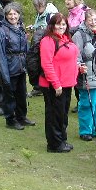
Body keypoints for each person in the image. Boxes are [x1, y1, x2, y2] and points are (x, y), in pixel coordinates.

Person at [39, 13, 86, 153]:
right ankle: (54, 144)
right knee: (54, 115)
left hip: (66, 84)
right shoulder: (47, 41)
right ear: (52, 25)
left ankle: (61, 139)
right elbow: (46, 64)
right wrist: (56, 84)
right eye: (58, 24)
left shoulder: (66, 39)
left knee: (62, 114)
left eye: (64, 24)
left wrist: (78, 68)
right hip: (54, 85)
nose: (61, 26)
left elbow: (68, 59)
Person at [0, 2, 35, 130]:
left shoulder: (21, 28)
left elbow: (25, 48)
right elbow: (0, 55)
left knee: (21, 94)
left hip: (21, 67)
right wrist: (5, 75)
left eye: (15, 14)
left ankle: (21, 117)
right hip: (9, 67)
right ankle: (10, 120)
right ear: (5, 16)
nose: (13, 17)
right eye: (10, 14)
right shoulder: (1, 31)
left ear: (19, 14)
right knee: (9, 95)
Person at [72, 9, 96, 141]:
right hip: (86, 76)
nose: (93, 22)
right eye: (90, 20)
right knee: (87, 104)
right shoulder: (79, 35)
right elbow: (76, 55)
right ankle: (85, 131)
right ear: (85, 21)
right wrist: (80, 66)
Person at [27, 0, 58, 97]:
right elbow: (41, 25)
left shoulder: (51, 13)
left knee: (44, 65)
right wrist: (34, 27)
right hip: (39, 42)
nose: (37, 8)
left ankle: (46, 87)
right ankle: (39, 87)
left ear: (44, 4)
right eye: (36, 6)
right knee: (37, 65)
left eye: (39, 6)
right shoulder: (41, 13)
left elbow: (53, 29)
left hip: (47, 43)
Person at [65, 0, 89, 113]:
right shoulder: (71, 13)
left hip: (82, 49)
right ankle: (79, 102)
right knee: (74, 75)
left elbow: (82, 28)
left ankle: (84, 102)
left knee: (81, 76)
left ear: (75, 0)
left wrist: (69, 31)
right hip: (71, 47)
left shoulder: (84, 12)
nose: (66, 2)